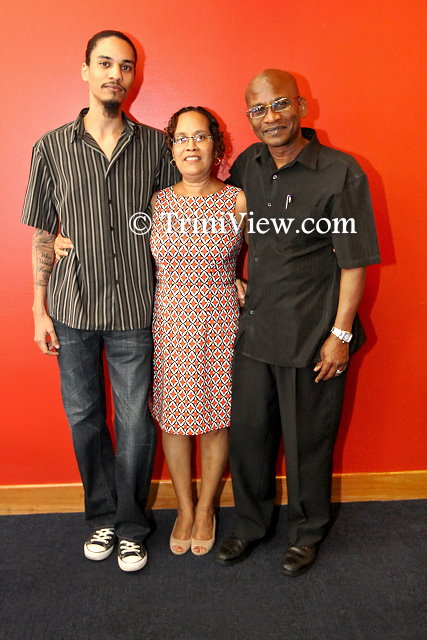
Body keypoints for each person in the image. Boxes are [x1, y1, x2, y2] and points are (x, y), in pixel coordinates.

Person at [21, 30, 178, 572]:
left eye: (126, 66)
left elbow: (177, 214)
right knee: (85, 417)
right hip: (73, 309)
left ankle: (132, 527)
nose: (116, 74)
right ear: (86, 70)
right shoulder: (50, 147)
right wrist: (39, 308)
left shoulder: (156, 147)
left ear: (135, 76)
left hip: (135, 307)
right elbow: (43, 233)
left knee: (135, 422)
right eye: (106, 63)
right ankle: (102, 517)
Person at [216, 69, 380, 576]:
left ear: (302, 107)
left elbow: (354, 262)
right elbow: (220, 217)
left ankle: (307, 532)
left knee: (308, 441)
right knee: (249, 437)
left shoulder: (341, 172)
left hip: (313, 335)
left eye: (280, 104)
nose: (271, 117)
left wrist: (341, 334)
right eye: (258, 110)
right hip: (255, 330)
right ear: (249, 117)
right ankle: (250, 525)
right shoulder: (248, 164)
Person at [150, 107, 246, 555]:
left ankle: (206, 508)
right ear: (171, 149)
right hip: (170, 322)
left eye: (201, 136)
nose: (191, 145)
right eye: (182, 138)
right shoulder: (156, 204)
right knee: (173, 421)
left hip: (220, 322)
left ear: (216, 146)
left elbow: (274, 254)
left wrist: (248, 283)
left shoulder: (238, 201)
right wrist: (61, 240)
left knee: (215, 421)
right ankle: (184, 509)